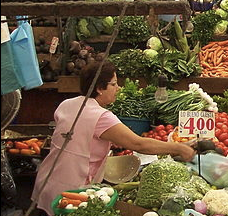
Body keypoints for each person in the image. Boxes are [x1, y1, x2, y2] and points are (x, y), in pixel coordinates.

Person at [31, 61, 196, 215]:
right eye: (114, 83)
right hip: (72, 194)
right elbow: (138, 144)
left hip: (47, 181)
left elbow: (77, 136)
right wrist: (179, 147)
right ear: (99, 88)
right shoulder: (101, 116)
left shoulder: (67, 104)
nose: (118, 88)